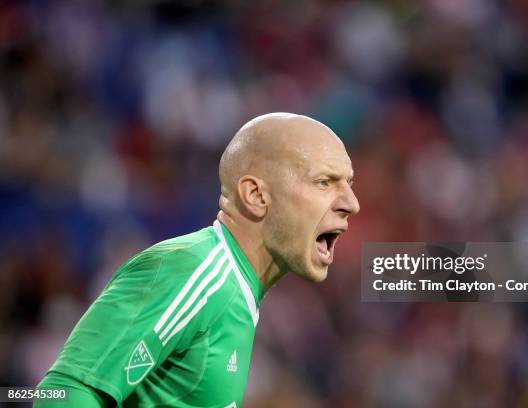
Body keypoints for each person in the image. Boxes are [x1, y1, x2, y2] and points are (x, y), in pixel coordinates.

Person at [35, 112, 360, 407]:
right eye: (324, 182)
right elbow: (64, 393)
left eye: (349, 184)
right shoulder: (193, 269)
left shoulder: (237, 291)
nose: (351, 203)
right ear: (256, 196)